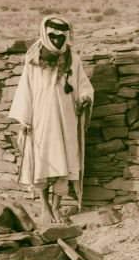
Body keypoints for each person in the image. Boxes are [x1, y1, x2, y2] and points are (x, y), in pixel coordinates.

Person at [8, 15, 94, 225]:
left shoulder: (72, 58)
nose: (56, 40)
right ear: (45, 33)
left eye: (61, 36)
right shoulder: (34, 58)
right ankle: (44, 206)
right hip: (42, 121)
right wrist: (25, 118)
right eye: (52, 36)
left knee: (64, 162)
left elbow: (83, 83)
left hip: (66, 119)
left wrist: (85, 96)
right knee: (43, 163)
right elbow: (25, 89)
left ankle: (56, 207)